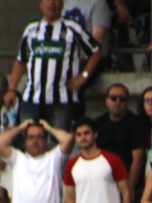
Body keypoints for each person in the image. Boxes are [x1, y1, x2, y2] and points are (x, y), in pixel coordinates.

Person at [7, 0, 101, 132]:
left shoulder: (73, 28)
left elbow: (95, 52)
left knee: (60, 145)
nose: (52, 4)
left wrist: (83, 76)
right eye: (48, 0)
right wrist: (12, 89)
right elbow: (20, 60)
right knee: (30, 142)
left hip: (62, 100)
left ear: (62, 4)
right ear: (41, 5)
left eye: (56, 0)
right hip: (31, 99)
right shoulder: (31, 29)